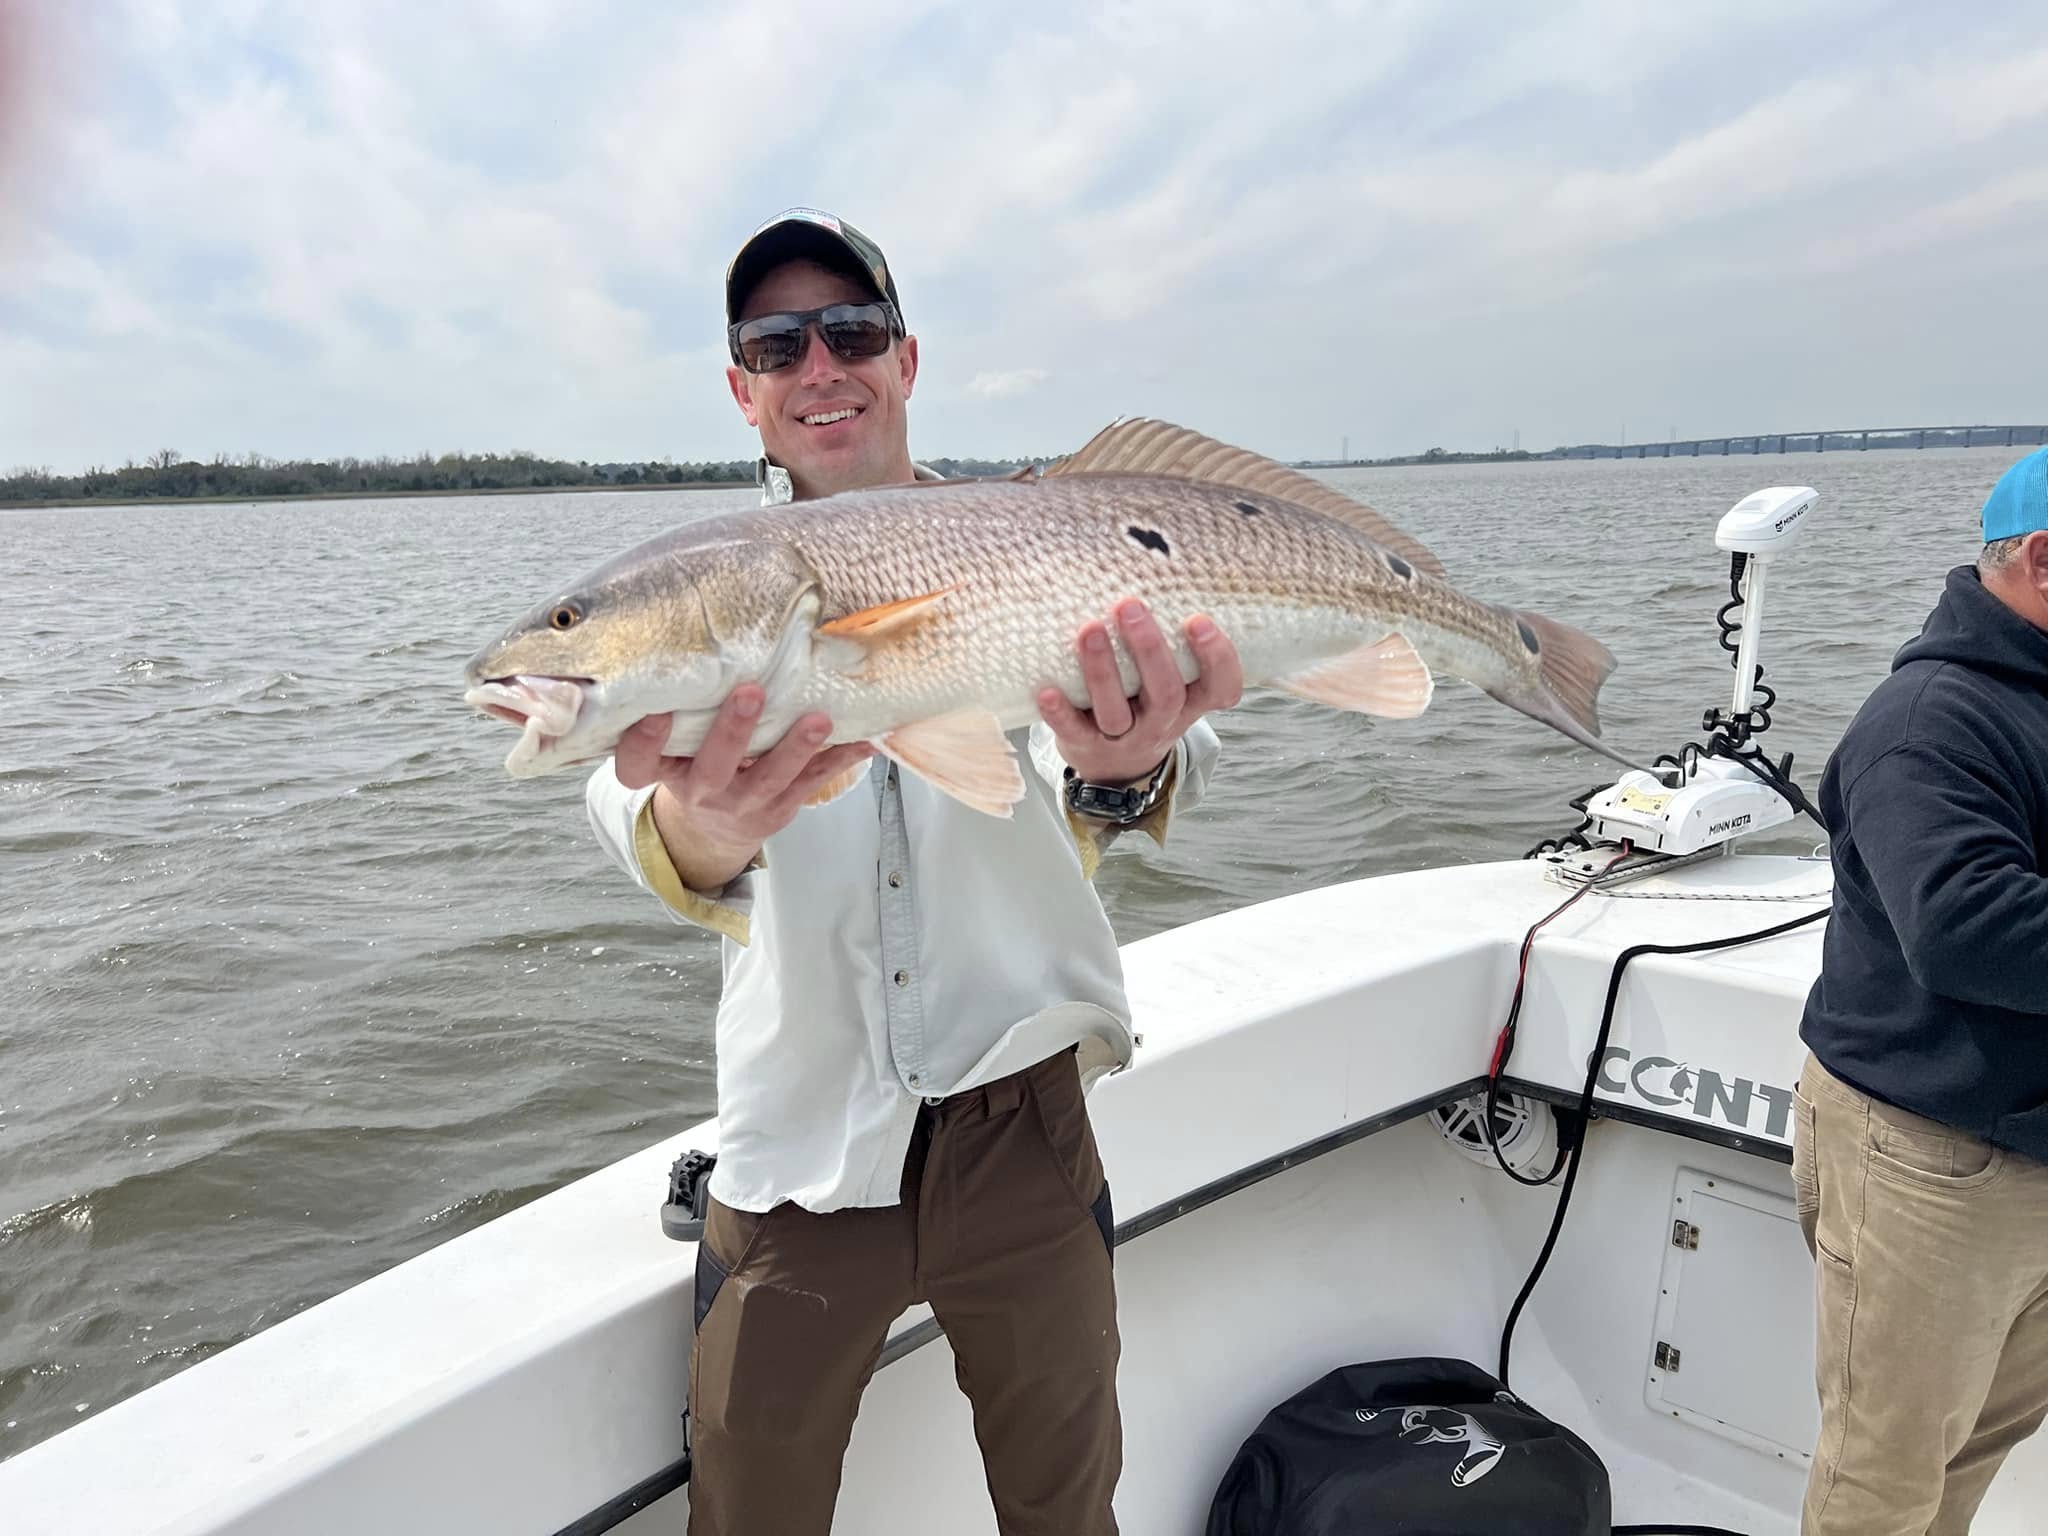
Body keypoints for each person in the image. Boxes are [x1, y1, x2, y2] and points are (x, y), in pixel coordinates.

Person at [583, 208, 1244, 1535]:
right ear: (742, 391)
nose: (819, 366)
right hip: (801, 1138)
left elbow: (1129, 773)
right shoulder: (692, 591)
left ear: (906, 358)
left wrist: (1123, 765)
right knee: (749, 1516)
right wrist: (705, 833)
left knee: (1066, 1509)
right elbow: (640, 805)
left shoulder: (1044, 537)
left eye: (852, 330)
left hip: (1025, 1124)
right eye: (777, 345)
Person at [1793, 443, 2048, 1535]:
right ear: (2042, 561)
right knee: (1885, 1477)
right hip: (1933, 1163)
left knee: (1984, 1437)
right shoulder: (1928, 720)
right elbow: (1964, 928)